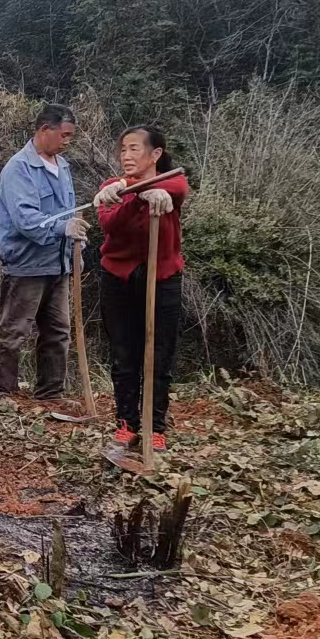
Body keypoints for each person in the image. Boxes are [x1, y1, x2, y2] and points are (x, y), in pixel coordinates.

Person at [94, 125, 189, 455]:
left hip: (161, 277)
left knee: (159, 353)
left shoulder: (172, 183)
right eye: (123, 149)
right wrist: (134, 194)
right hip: (117, 278)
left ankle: (155, 427)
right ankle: (126, 423)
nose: (126, 155)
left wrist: (138, 189)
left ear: (155, 155)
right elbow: (110, 224)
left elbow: (177, 186)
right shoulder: (110, 187)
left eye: (134, 149)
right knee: (124, 352)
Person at [0, 104, 86, 401]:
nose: (68, 141)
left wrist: (76, 243)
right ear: (45, 130)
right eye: (64, 135)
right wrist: (62, 229)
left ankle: (51, 391)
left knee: (58, 331)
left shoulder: (63, 167)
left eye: (70, 136)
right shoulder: (19, 168)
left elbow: (70, 213)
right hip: (26, 264)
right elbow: (27, 219)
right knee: (14, 331)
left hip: (58, 264)